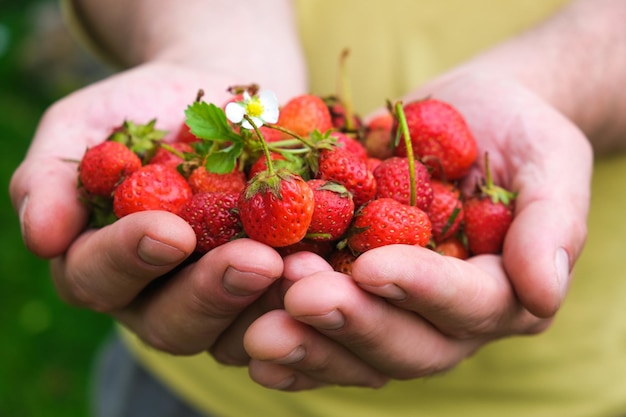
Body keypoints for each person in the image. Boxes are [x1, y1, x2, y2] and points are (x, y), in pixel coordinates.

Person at [9, 0, 626, 416]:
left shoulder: (350, 189)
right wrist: (200, 37)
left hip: (539, 394)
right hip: (189, 378)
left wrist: (560, 85)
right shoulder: (273, 179)